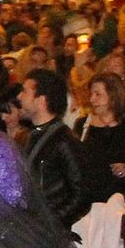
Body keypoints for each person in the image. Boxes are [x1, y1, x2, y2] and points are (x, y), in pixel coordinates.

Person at [19, 68, 89, 231]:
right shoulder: (27, 136)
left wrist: (52, 222)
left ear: (40, 100)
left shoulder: (64, 140)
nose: (19, 97)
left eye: (25, 92)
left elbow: (82, 193)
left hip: (48, 234)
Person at [76, 75, 125, 211]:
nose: (92, 99)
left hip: (121, 202)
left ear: (114, 96)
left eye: (98, 94)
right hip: (89, 202)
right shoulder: (83, 126)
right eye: (91, 94)